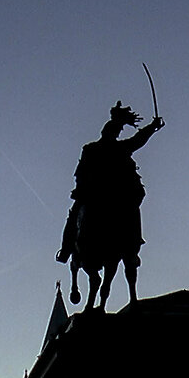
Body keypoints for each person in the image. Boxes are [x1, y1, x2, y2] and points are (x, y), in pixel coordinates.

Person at [58, 101, 163, 307]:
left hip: (116, 196)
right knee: (74, 216)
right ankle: (67, 248)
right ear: (106, 131)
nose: (113, 133)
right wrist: (82, 187)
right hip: (94, 193)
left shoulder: (119, 148)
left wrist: (152, 127)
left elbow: (138, 140)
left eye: (115, 131)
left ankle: (132, 246)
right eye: (112, 130)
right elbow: (81, 171)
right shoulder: (91, 149)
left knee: (130, 211)